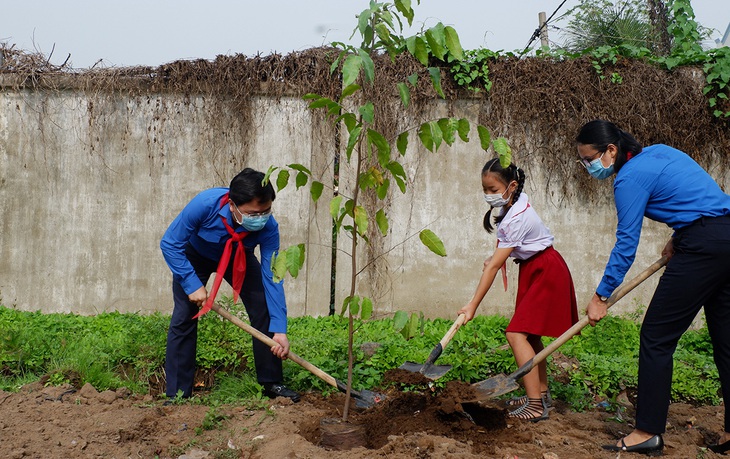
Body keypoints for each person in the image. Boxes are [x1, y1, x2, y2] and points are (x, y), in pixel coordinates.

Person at [576, 120, 730, 455]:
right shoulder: (662, 152)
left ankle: (646, 431)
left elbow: (626, 244)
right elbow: (705, 198)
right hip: (726, 236)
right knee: (727, 341)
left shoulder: (628, 179)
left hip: (702, 247)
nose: (588, 166)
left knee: (656, 338)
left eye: (589, 158)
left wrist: (601, 296)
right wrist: (678, 236)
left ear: (611, 151)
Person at [160, 168, 300, 403]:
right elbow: (171, 243)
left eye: (266, 211)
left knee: (263, 307)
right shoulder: (204, 204)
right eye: (253, 213)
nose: (261, 217)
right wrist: (191, 282)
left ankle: (271, 383)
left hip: (239, 256)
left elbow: (272, 276)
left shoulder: (268, 228)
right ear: (233, 205)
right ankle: (178, 393)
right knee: (184, 316)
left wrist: (280, 330)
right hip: (195, 255)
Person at [458, 157, 579, 421]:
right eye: (485, 190)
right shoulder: (514, 204)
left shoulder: (515, 217)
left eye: (493, 190)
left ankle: (535, 405)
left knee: (515, 334)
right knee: (531, 335)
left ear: (511, 186)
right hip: (536, 267)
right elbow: (511, 248)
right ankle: (542, 393)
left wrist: (472, 305)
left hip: (545, 271)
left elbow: (494, 267)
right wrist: (496, 257)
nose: (489, 196)